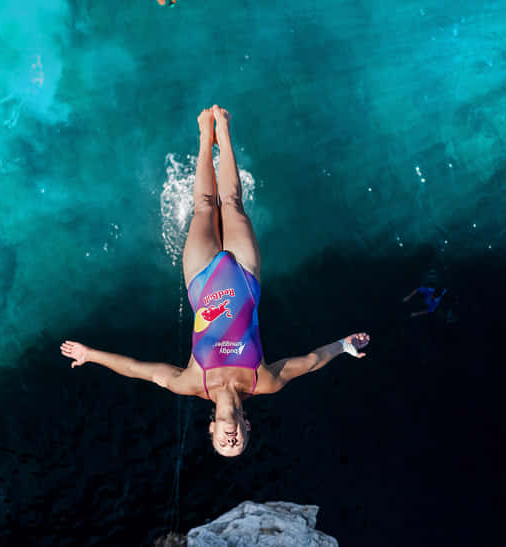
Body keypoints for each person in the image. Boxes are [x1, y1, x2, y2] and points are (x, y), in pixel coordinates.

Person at [61, 105, 370, 457]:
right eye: (238, 444)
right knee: (233, 204)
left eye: (222, 445)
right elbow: (312, 361)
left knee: (205, 206)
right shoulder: (263, 381)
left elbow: (138, 370)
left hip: (202, 278)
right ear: (247, 426)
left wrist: (91, 355)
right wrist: (344, 346)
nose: (231, 441)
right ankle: (223, 130)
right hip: (244, 275)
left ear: (210, 429)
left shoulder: (192, 382)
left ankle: (204, 135)